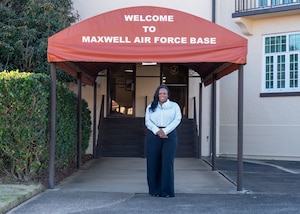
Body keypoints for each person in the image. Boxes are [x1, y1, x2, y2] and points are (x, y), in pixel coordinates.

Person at [145, 85, 182, 197]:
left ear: (168, 95)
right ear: (157, 94)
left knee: (167, 163)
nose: (162, 95)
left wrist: (165, 131)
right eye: (160, 93)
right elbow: (147, 121)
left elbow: (177, 119)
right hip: (154, 136)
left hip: (169, 136)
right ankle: (155, 190)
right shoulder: (151, 107)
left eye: (164, 93)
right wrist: (158, 131)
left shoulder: (174, 106)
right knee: (153, 163)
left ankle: (166, 191)